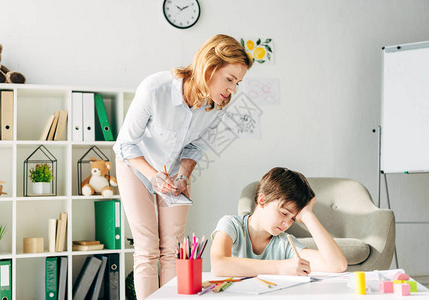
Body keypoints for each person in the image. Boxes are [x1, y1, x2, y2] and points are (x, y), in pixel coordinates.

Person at [113, 34, 253, 299]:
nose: (232, 90)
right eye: (230, 79)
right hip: (135, 166)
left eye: (238, 83)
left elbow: (195, 147)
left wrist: (184, 176)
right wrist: (154, 176)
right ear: (210, 67)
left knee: (172, 248)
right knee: (147, 248)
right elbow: (125, 144)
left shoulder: (217, 105)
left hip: (173, 173)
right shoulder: (155, 89)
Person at [210, 167, 347, 277]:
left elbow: (336, 265)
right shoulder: (231, 225)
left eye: (293, 219)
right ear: (262, 200)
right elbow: (219, 265)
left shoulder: (285, 244)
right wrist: (280, 267)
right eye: (284, 213)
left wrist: (307, 215)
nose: (287, 224)